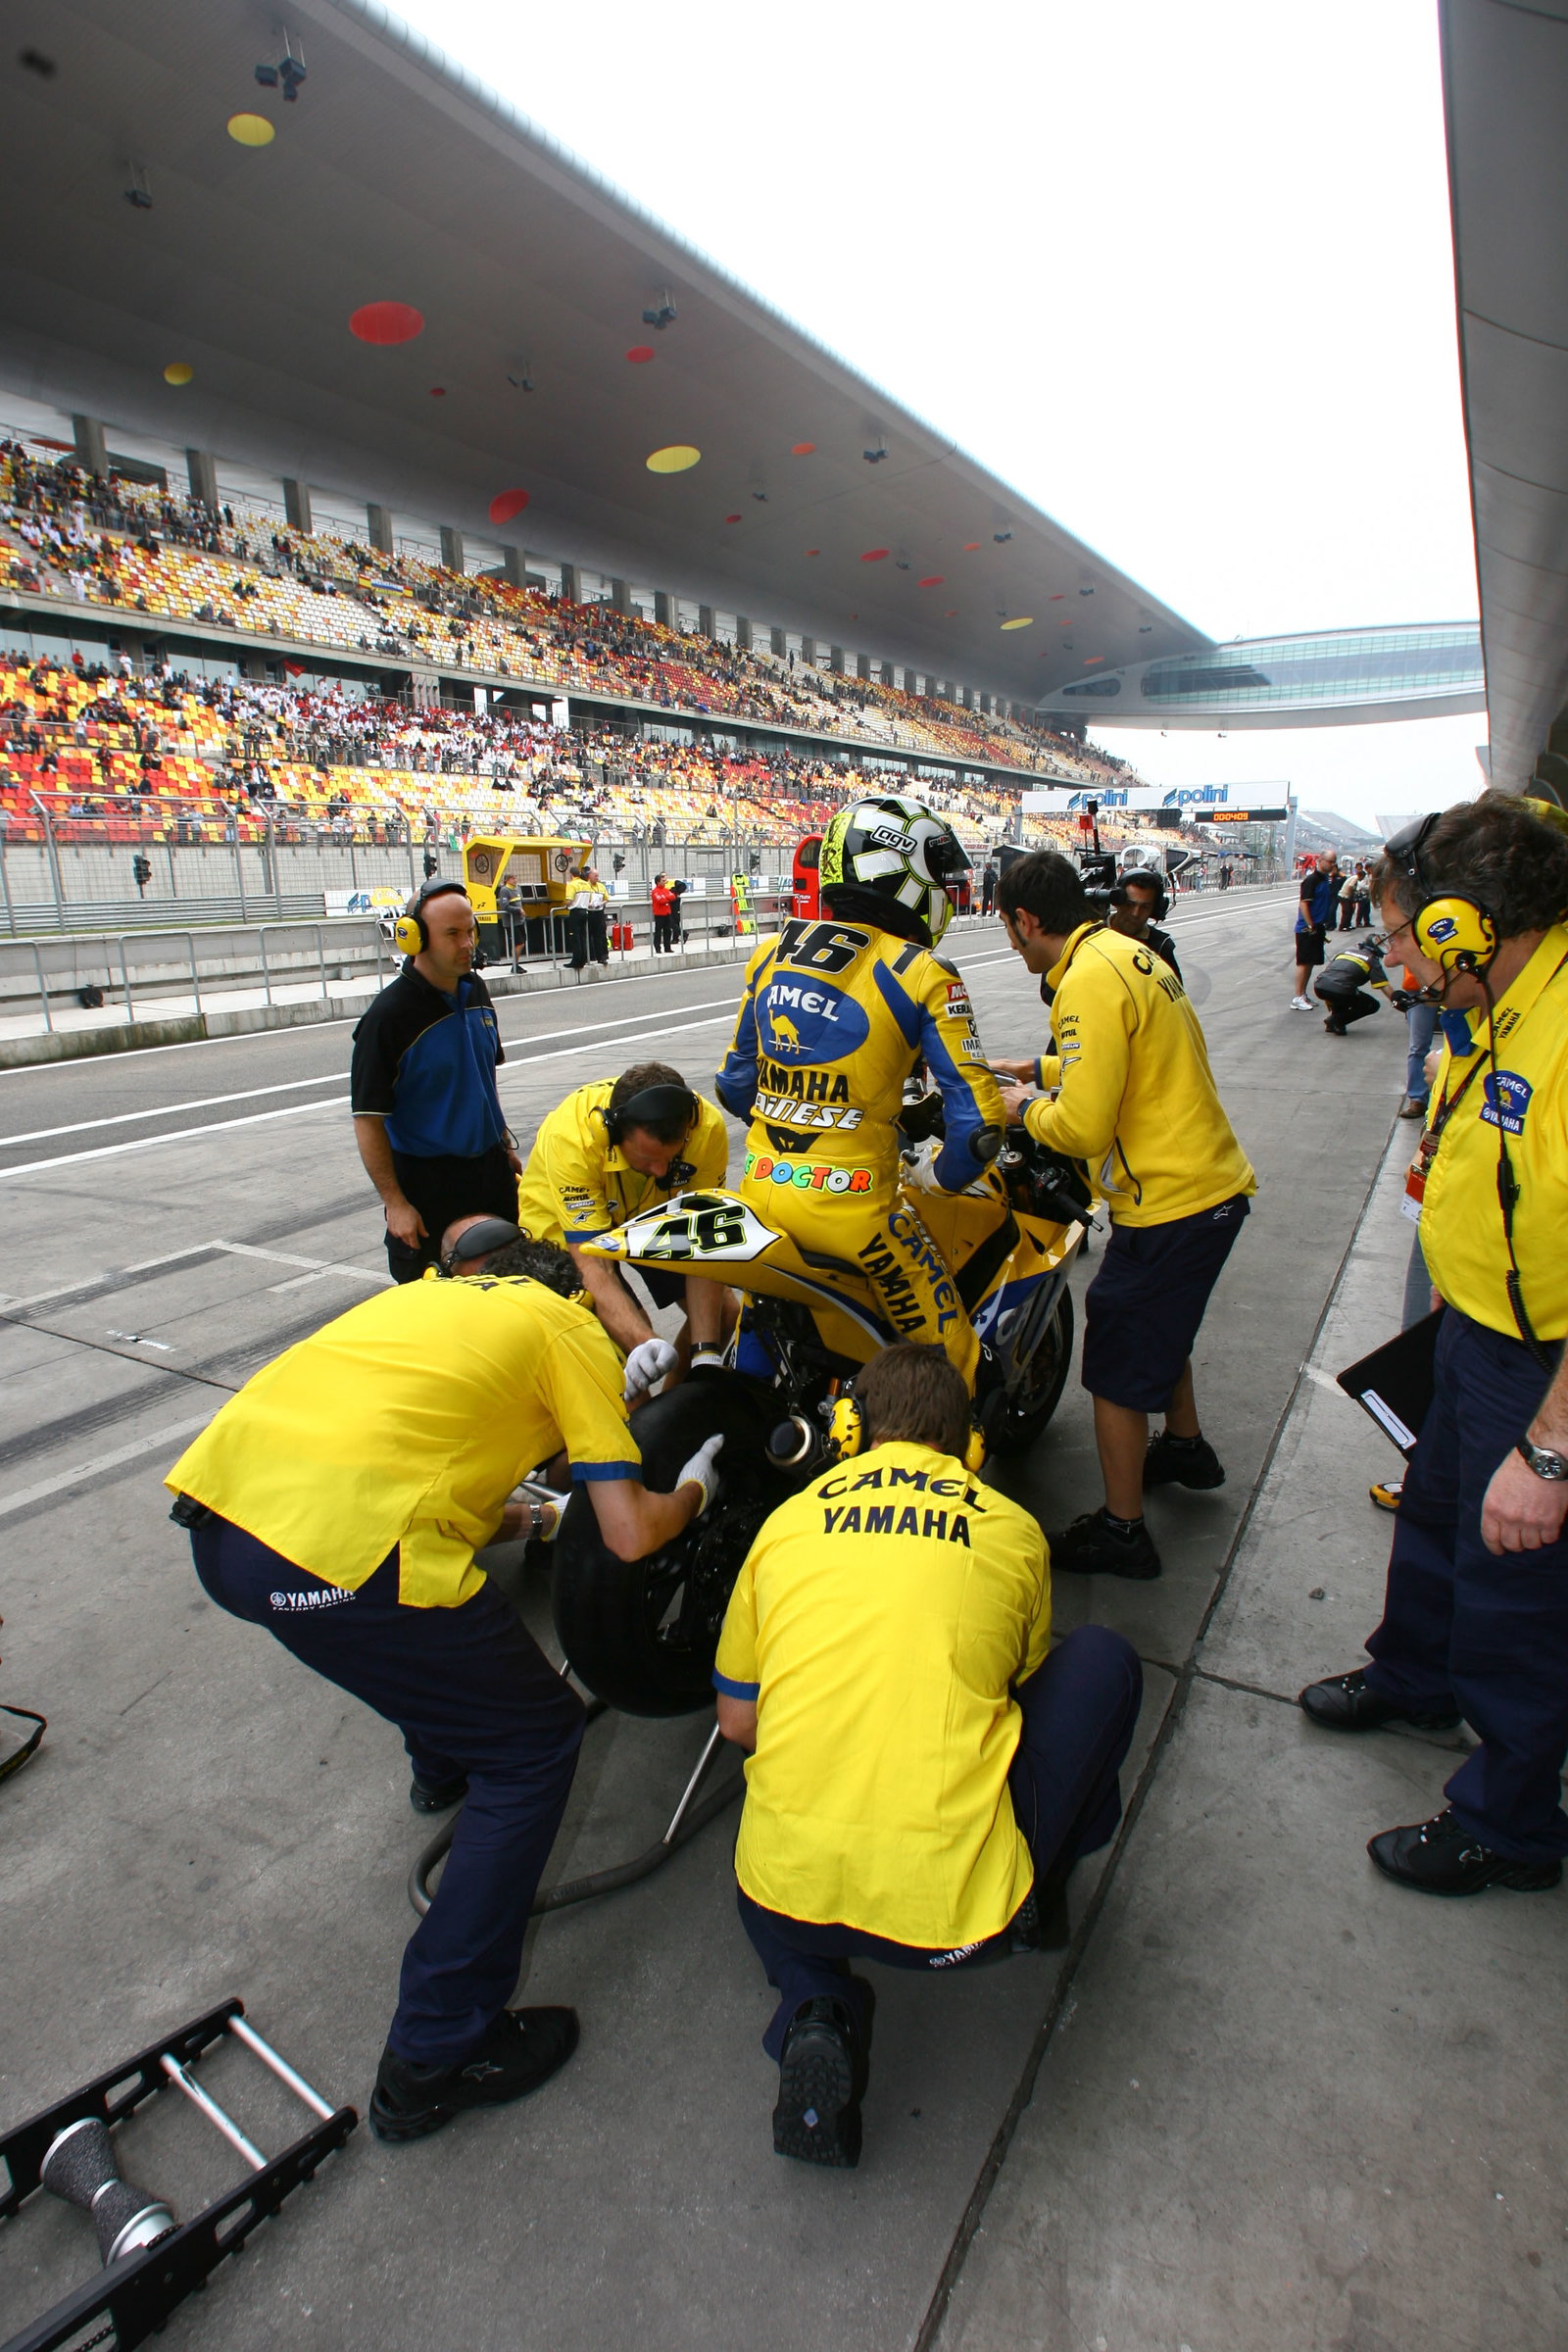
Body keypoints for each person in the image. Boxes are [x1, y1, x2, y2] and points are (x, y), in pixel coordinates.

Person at [165, 1230, 724, 2142]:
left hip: (223, 1530)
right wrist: (692, 1491)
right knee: (537, 1738)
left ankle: (443, 1770)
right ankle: (435, 2053)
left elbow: (431, 1484)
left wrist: (541, 1522)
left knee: (420, 1636)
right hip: (330, 1555)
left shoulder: (421, 1305)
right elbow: (630, 1533)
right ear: (573, 1296)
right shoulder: (566, 1328)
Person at [713, 1345, 1143, 2169]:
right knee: (1101, 1660)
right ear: (970, 1444)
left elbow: (738, 1722)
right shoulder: (1013, 1532)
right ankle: (1039, 1889)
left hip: (781, 1895)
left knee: (778, 1871)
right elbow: (1017, 1695)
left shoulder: (784, 1526)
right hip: (961, 1926)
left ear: (849, 1428)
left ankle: (816, 2005)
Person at [1298, 797, 1568, 1894]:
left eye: (1409, 933)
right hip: (1470, 1330)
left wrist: (1549, 1456)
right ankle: (1413, 1674)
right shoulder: (1496, 1008)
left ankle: (1508, 1826)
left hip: (1538, 1368)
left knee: (1517, 1587)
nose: (1395, 953)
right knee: (1436, 1518)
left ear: (1469, 926)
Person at [992, 851, 1255, 1579]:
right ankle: (1184, 1446)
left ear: (1026, 920)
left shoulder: (1082, 981)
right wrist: (1036, 1068)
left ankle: (1122, 1530)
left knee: (1114, 1359)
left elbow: (1080, 1128)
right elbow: (1126, 1059)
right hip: (1207, 1187)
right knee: (1157, 1330)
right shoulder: (1122, 954)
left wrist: (1024, 1107)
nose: (1009, 942)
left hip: (1172, 1200)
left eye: (1007, 927)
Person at [714, 794, 1004, 1386]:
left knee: (755, 1344)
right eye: (938, 875)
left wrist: (798, 1116)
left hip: (760, 1197)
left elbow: (733, 1084)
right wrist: (931, 1174)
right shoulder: (925, 972)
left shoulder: (771, 953)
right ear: (900, 870)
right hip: (860, 1216)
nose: (946, 894)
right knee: (958, 1367)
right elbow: (979, 1132)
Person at [514, 1061, 731, 1381]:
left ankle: (679, 1408)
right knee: (623, 1355)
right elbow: (592, 1265)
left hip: (646, 1210)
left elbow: (702, 1241)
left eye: (670, 1159)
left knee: (725, 1315)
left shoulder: (707, 1129)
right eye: (647, 1159)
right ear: (612, 1135)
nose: (660, 1171)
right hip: (565, 1228)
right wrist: (644, 1344)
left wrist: (705, 1352)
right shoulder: (574, 1139)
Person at [351, 879, 520, 1282]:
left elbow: (484, 1077)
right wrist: (395, 1203)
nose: (468, 944)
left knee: (509, 1284)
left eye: (471, 931)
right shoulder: (388, 1019)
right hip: (428, 1185)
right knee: (436, 1300)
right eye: (452, 934)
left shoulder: (475, 989)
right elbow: (368, 1119)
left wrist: (500, 1141)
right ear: (414, 938)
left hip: (490, 1172)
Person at [1106, 867, 1181, 982]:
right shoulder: (1090, 933)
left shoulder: (1161, 947)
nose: (1135, 914)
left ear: (1155, 909)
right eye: (1130, 904)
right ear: (1117, 901)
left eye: (1145, 907)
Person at [1293, 854, 1341, 1007]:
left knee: (1311, 962)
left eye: (1334, 862)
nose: (1332, 865)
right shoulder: (1311, 880)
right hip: (1307, 928)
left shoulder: (1325, 880)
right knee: (1304, 962)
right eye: (1329, 862)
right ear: (1320, 861)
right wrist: (1310, 924)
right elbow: (1304, 904)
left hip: (1318, 926)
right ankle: (1297, 997)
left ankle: (1303, 994)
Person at [565, 863, 610, 979]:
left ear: (571, 875)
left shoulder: (572, 884)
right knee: (583, 936)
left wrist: (566, 905)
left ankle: (577, 960)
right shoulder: (585, 884)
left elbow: (569, 901)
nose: (597, 878)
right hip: (586, 912)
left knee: (575, 937)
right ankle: (584, 958)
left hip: (576, 912)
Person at [495, 871, 522, 967]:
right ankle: (515, 965)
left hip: (520, 920)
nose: (515, 880)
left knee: (521, 943)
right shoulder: (504, 890)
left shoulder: (517, 889)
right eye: (513, 878)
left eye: (516, 878)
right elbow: (504, 906)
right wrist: (518, 910)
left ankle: (516, 964)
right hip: (511, 922)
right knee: (518, 943)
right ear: (507, 880)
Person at [650, 871, 677, 955]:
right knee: (658, 932)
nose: (664, 882)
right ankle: (657, 948)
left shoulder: (665, 890)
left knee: (668, 931)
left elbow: (673, 897)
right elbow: (661, 900)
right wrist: (667, 898)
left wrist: (666, 898)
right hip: (659, 914)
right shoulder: (655, 891)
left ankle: (667, 948)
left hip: (667, 913)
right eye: (662, 881)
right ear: (658, 882)